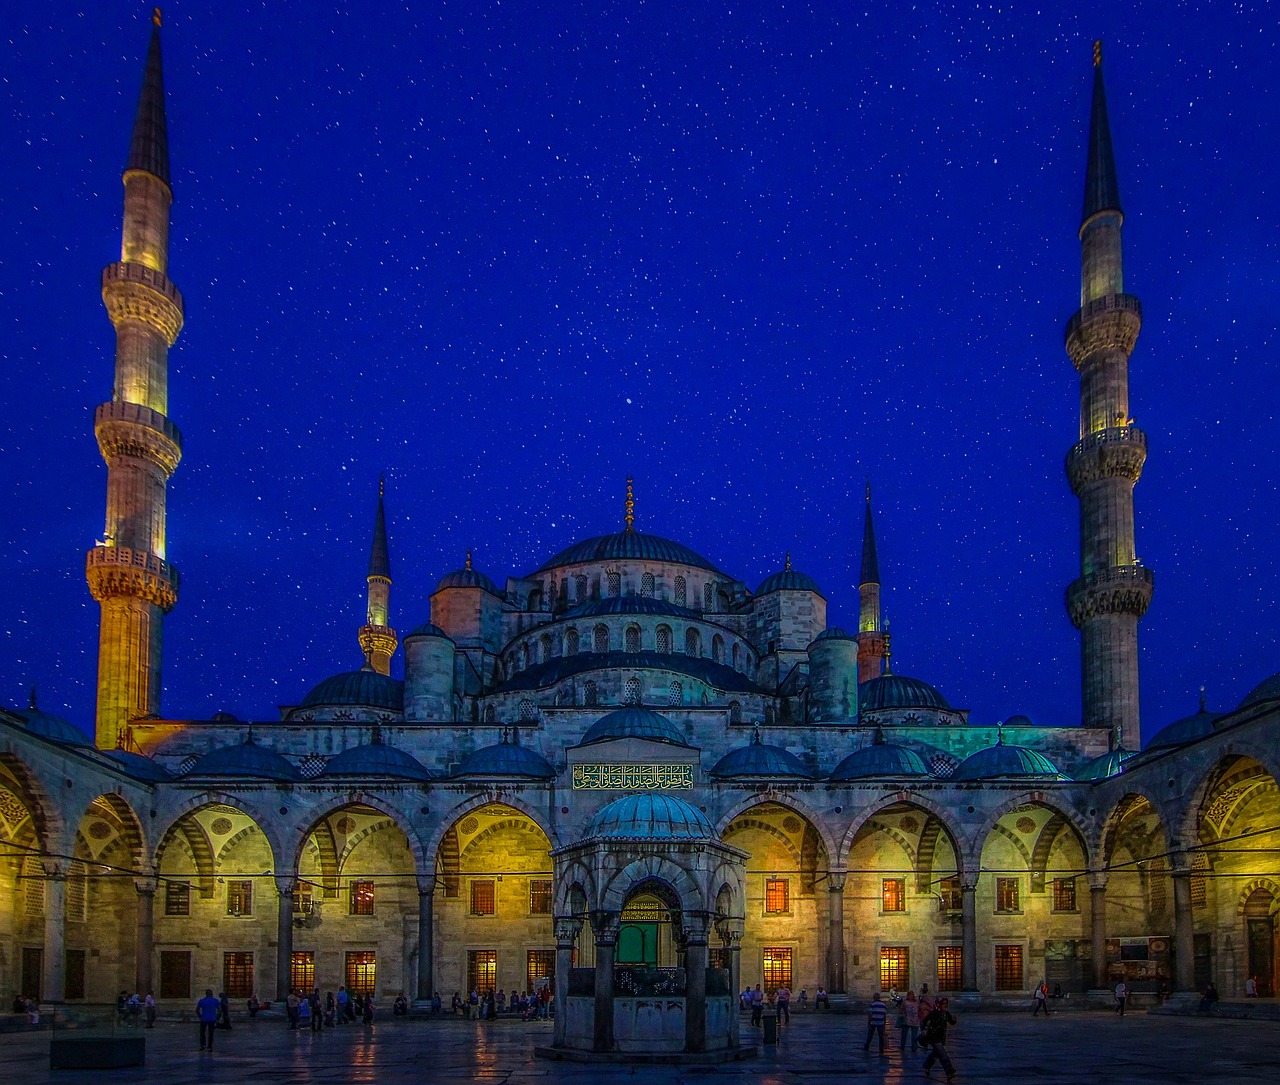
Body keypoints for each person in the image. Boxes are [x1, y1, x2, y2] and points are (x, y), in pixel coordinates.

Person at [920, 996, 957, 1082]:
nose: (945, 1005)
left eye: (946, 1004)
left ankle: (927, 1065)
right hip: (933, 1037)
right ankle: (949, 1072)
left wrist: (954, 1020)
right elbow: (924, 1021)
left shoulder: (946, 1013)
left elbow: (951, 1022)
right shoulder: (933, 1013)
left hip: (941, 1037)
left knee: (935, 1054)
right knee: (943, 1055)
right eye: (943, 1004)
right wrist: (924, 1031)